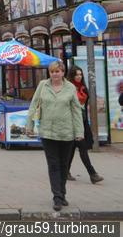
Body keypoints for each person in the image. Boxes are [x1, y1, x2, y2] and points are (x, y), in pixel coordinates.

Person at [26, 61, 83, 211]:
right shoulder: (43, 85)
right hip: (47, 132)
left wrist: (79, 132)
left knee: (64, 165)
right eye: (52, 72)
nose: (55, 74)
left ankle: (62, 193)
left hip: (66, 133)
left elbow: (77, 111)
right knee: (53, 165)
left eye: (57, 72)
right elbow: (34, 105)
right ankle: (57, 197)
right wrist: (30, 125)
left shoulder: (70, 88)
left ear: (63, 72)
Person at [66, 66, 103, 184]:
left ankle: (65, 171)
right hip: (72, 123)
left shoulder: (83, 88)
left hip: (82, 121)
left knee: (72, 148)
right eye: (76, 74)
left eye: (80, 74)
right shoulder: (68, 88)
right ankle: (92, 174)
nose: (79, 76)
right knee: (82, 148)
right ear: (72, 76)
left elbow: (85, 105)